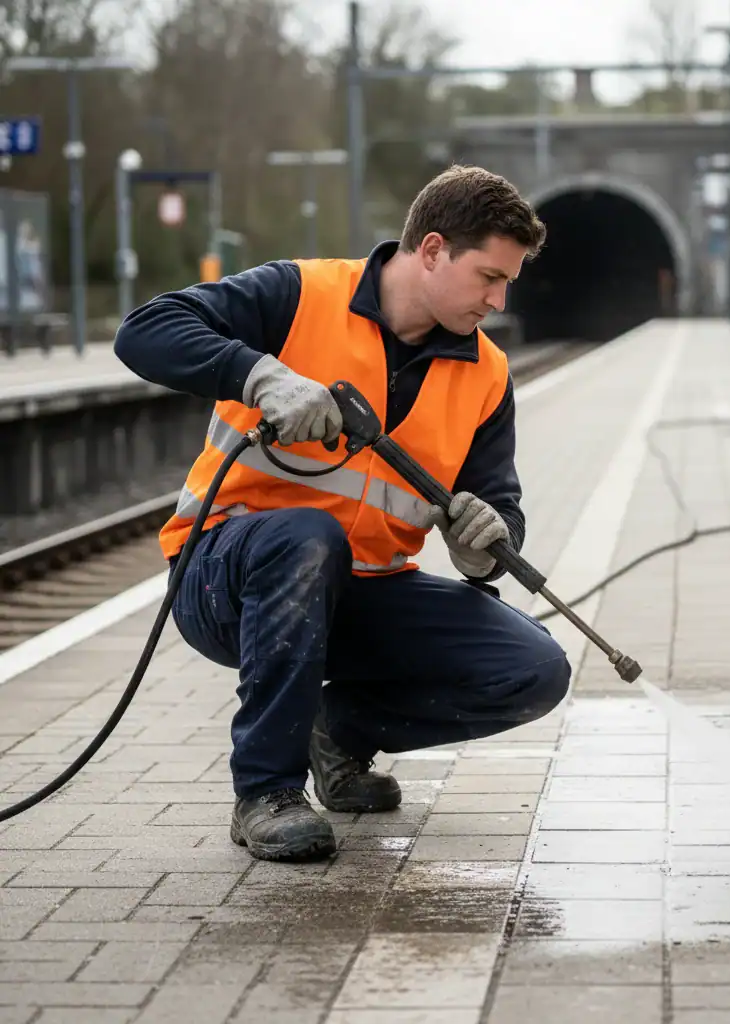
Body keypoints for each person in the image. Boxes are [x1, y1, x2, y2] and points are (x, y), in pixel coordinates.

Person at [114, 165, 571, 863]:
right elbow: (145, 331)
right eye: (487, 276)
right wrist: (261, 376)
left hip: (363, 591)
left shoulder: (485, 373)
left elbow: (496, 497)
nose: (499, 297)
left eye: (507, 281)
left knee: (534, 667)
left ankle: (342, 732)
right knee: (307, 535)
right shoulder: (297, 295)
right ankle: (266, 792)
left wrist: (489, 541)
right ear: (431, 250)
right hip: (225, 579)